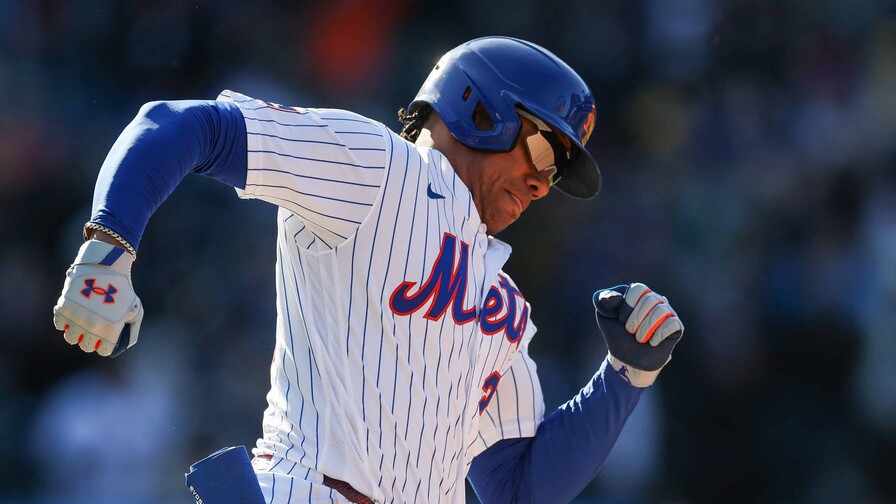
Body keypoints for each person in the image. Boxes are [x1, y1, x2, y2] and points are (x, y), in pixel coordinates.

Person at [53, 36, 684, 503]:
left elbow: (518, 488)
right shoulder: (379, 169)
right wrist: (108, 249)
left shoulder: (503, 303)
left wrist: (628, 375)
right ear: (480, 108)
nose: (543, 184)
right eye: (544, 151)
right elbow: (180, 125)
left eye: (556, 172)